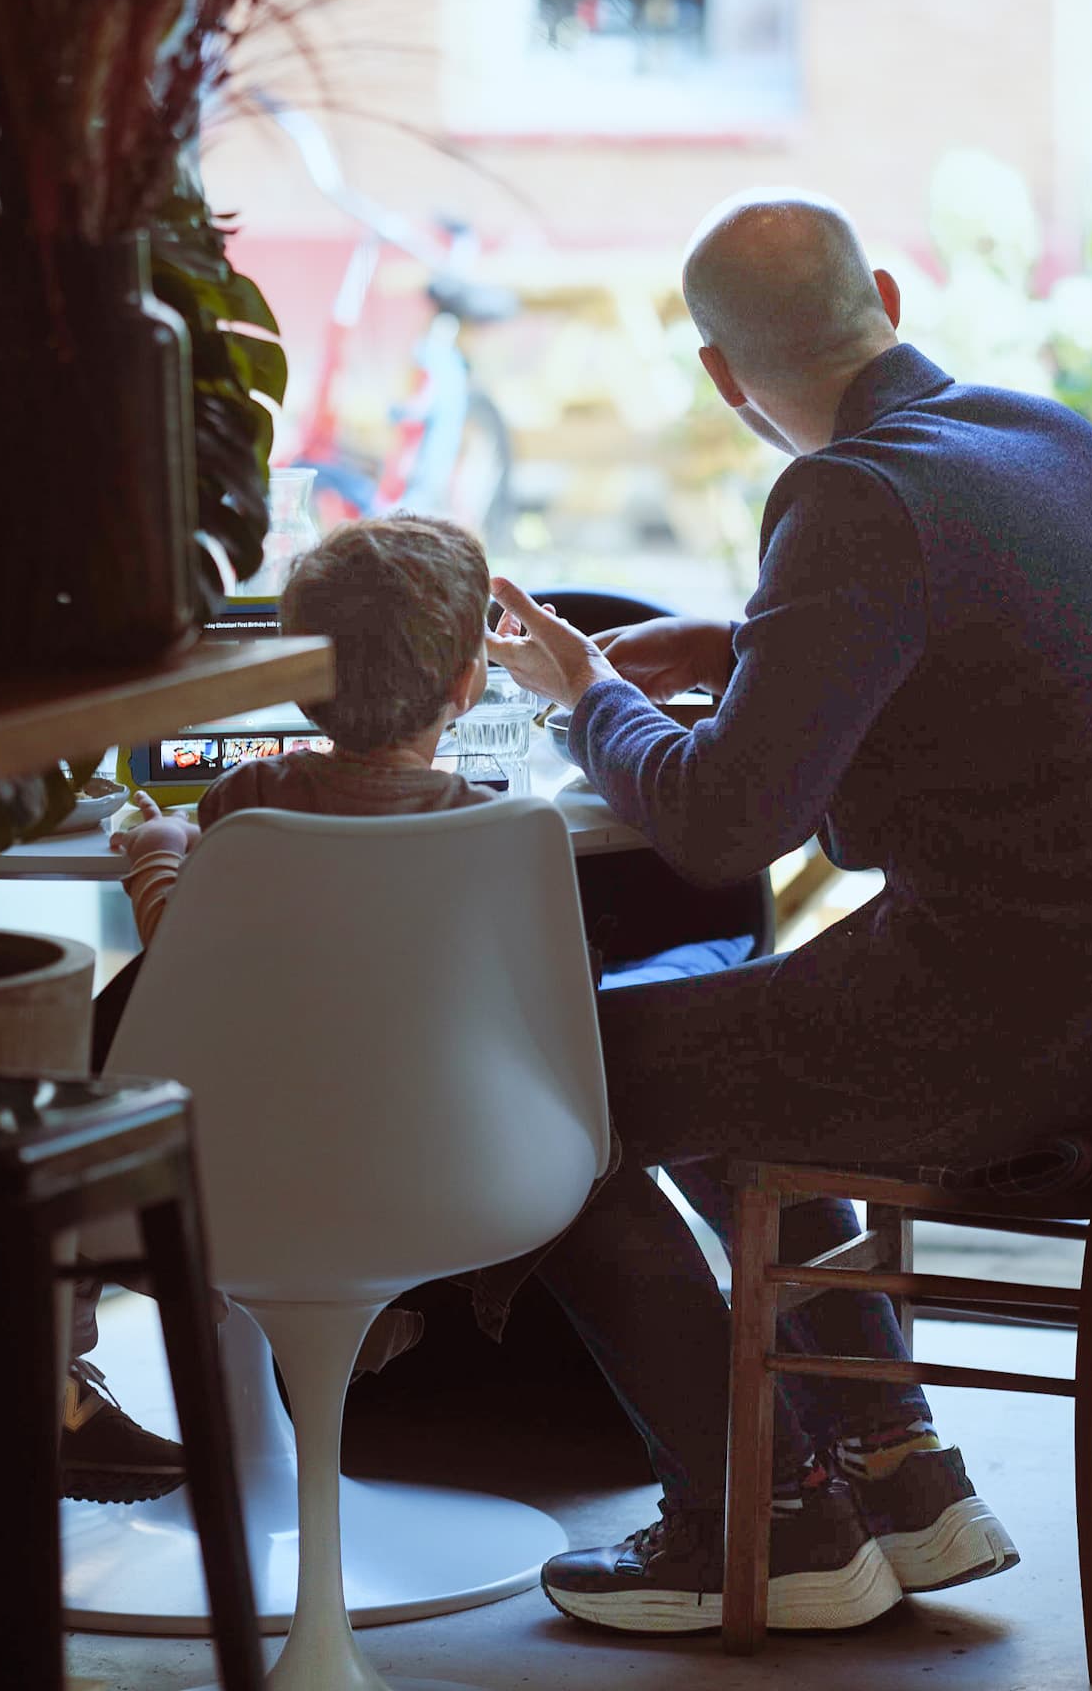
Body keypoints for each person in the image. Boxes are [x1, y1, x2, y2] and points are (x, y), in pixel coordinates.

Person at [484, 187, 1092, 1635]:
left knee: (543, 1085)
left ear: (721, 377)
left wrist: (592, 701)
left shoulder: (851, 494)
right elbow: (965, 665)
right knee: (740, 1059)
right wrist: (750, 641)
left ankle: (751, 1526)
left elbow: (720, 824)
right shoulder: (1050, 439)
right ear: (885, 294)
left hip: (997, 1045)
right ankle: (901, 1476)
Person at [60, 513, 753, 1502]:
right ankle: (732, 1485)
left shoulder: (246, 806)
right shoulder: (503, 830)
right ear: (468, 685)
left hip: (245, 1178)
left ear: (294, 678)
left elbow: (186, 972)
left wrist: (159, 855)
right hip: (460, 1170)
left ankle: (67, 1364)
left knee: (93, 1052)